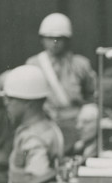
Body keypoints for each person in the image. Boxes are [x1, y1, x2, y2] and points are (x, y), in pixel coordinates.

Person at [24, 12, 97, 150]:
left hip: (75, 120)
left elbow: (91, 95)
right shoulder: (34, 64)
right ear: (42, 39)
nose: (55, 43)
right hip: (46, 119)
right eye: (50, 38)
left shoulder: (80, 64)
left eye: (59, 38)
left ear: (67, 40)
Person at [0, 64, 66, 183]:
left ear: (28, 103)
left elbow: (37, 179)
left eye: (10, 99)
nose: (6, 103)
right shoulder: (48, 126)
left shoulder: (33, 137)